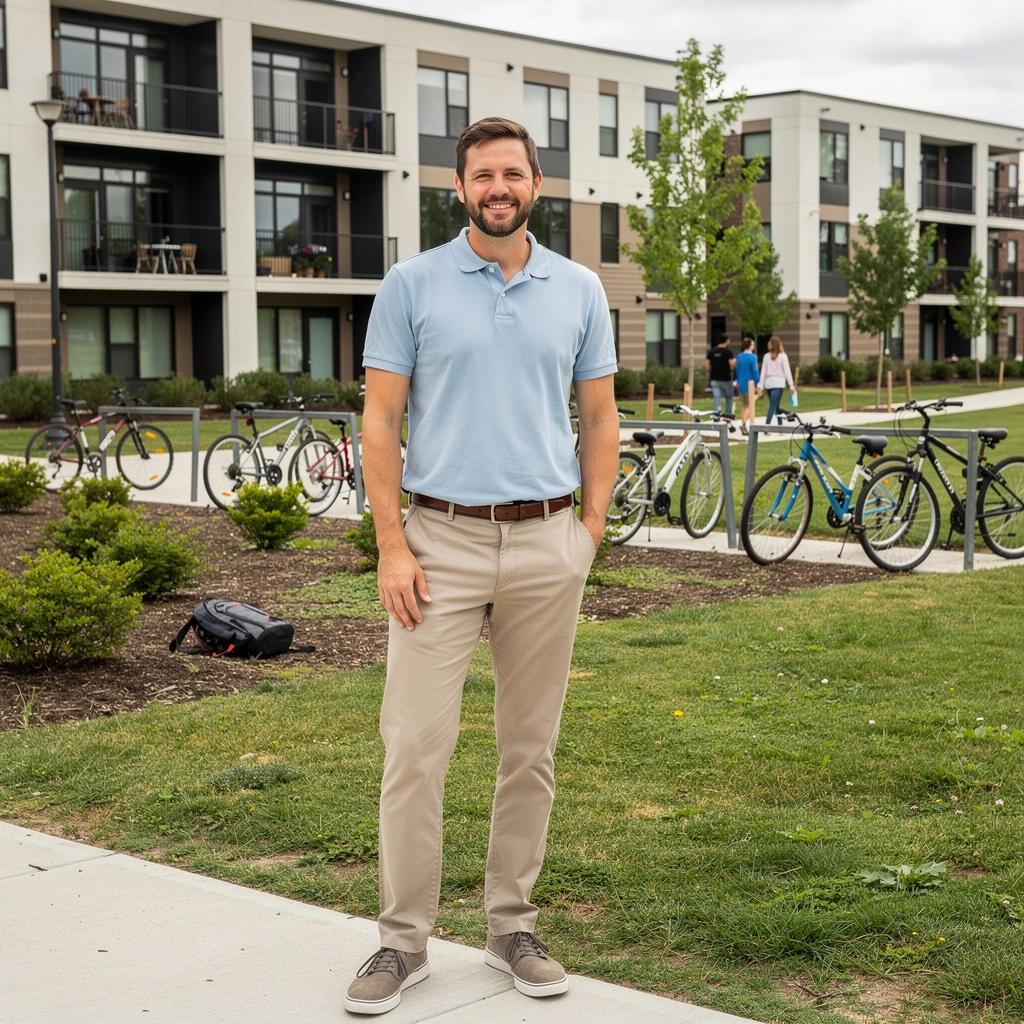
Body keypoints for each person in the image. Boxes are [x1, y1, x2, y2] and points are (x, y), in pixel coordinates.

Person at [345, 116, 620, 1016]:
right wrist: (391, 543)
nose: (497, 188)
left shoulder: (579, 289)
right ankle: (402, 942)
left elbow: (601, 417)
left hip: (547, 546)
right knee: (416, 747)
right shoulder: (411, 284)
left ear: (537, 184)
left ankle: (512, 926)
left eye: (512, 173)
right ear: (458, 188)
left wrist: (588, 530)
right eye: (481, 176)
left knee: (529, 750)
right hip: (440, 546)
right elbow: (380, 422)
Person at [756, 335, 796, 427]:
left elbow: (763, 373)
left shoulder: (769, 356)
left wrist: (761, 386)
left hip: (769, 384)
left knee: (775, 405)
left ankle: (779, 426)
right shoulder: (780, 356)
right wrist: (791, 385)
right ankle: (767, 426)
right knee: (773, 406)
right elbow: (787, 372)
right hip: (778, 384)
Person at [706, 335, 736, 417]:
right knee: (729, 398)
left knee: (717, 398)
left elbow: (707, 365)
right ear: (726, 341)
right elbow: (731, 365)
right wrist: (734, 363)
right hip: (726, 379)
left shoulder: (712, 351)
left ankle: (716, 415)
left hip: (714, 379)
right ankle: (728, 415)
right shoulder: (728, 352)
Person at [734, 337, 759, 435]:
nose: (753, 346)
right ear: (749, 345)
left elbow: (737, 370)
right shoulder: (753, 357)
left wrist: (737, 382)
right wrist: (758, 383)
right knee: (749, 405)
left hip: (741, 383)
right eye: (752, 344)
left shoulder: (739, 356)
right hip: (750, 384)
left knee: (744, 405)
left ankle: (743, 422)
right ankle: (744, 423)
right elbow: (755, 371)